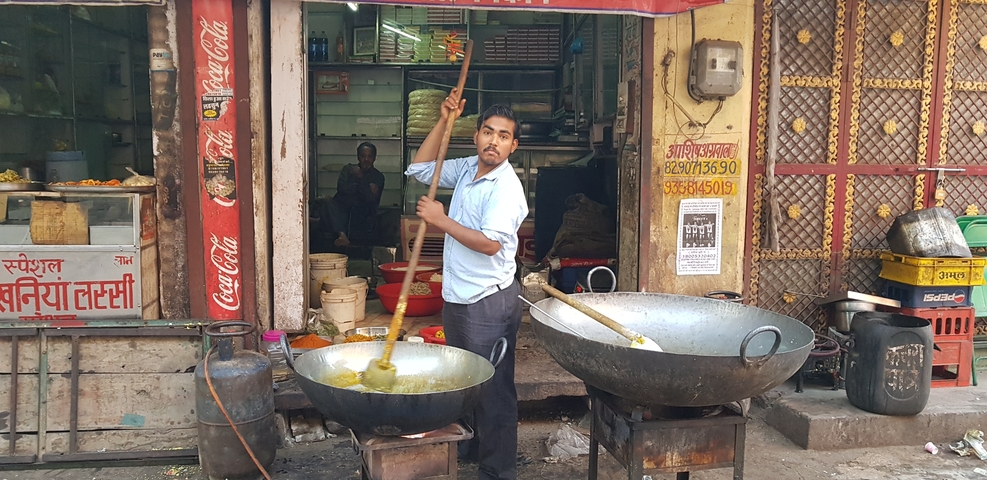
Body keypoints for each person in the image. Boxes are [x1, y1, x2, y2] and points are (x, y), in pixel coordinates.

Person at [405, 91, 527, 480]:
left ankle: (498, 469)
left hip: (487, 302)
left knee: (493, 389)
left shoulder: (505, 188)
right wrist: (444, 119)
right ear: (476, 135)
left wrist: (440, 219)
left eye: (503, 136)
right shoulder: (467, 169)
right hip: (458, 296)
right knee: (466, 380)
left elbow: (490, 243)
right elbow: (420, 168)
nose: (494, 141)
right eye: (488, 132)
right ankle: (474, 446)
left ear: (513, 145)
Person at [314, 142, 384, 247]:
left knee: (337, 215)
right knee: (325, 201)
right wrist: (365, 188)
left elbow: (369, 198)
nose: (366, 160)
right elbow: (342, 189)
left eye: (369, 157)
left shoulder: (378, 176)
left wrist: (360, 178)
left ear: (374, 158)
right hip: (341, 206)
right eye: (363, 156)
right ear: (358, 157)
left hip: (362, 210)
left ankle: (322, 222)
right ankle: (342, 236)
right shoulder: (348, 169)